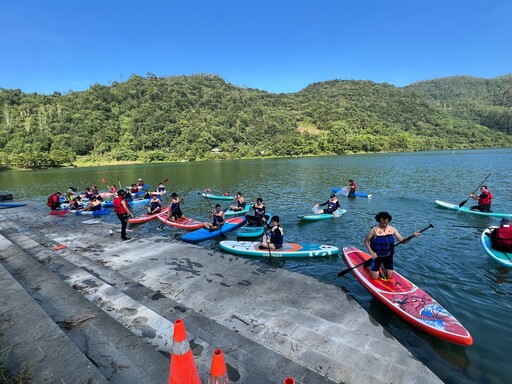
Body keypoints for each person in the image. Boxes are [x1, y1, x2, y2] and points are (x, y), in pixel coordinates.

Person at [364, 212, 419, 281]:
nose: (384, 224)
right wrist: (371, 252)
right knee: (375, 277)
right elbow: (366, 241)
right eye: (382, 222)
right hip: (377, 256)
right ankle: (369, 264)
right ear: (379, 221)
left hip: (388, 257)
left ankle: (381, 265)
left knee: (390, 276)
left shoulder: (393, 229)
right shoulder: (373, 230)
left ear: (388, 221)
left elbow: (403, 241)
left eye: (386, 223)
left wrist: (412, 236)